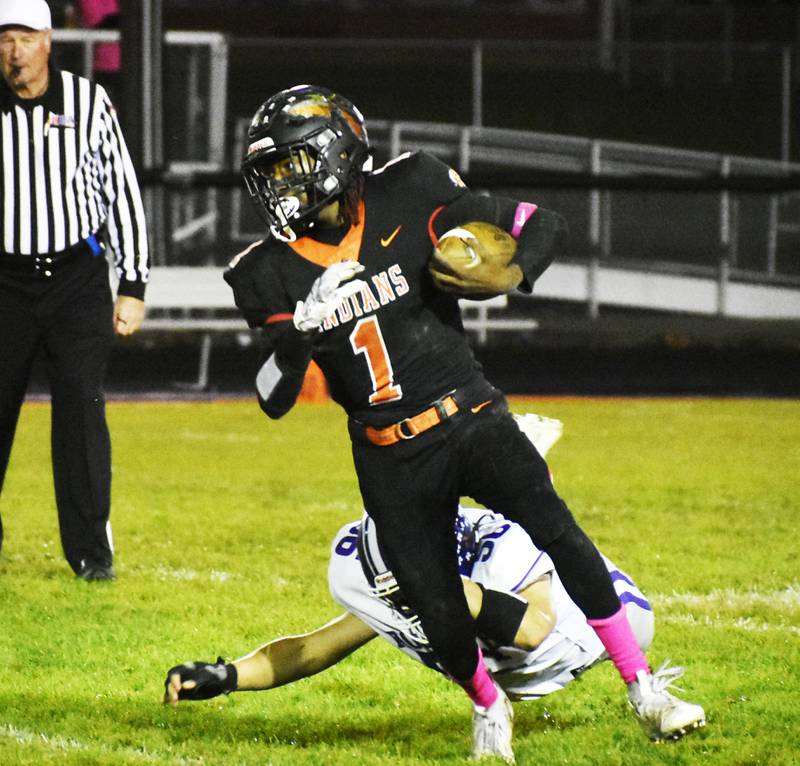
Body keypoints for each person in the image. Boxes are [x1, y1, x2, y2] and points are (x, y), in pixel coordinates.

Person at [223, 84, 703, 754]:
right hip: (389, 452)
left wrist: (511, 271)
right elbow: (272, 394)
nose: (279, 185)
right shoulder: (265, 270)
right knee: (433, 601)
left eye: (290, 164)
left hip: (467, 411)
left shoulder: (412, 186)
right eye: (269, 173)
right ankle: (487, 704)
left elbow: (541, 222)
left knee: (560, 532)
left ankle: (644, 687)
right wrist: (299, 330)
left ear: (336, 148)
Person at [163, 415, 704, 762]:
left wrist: (448, 592)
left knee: (547, 529)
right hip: (511, 664)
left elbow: (538, 629)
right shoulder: (363, 565)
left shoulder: (491, 540)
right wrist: (229, 674)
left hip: (587, 624)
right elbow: (313, 647)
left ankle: (649, 691)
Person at [0, 0, 150, 580]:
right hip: (4, 284)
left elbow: (122, 192)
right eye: (5, 39)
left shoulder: (88, 102)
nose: (15, 52)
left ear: (48, 40)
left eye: (25, 38)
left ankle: (91, 553)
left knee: (81, 414)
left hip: (74, 279)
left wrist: (132, 281)